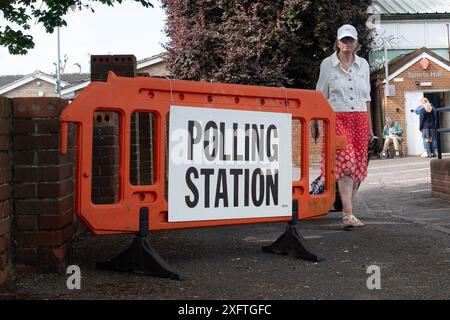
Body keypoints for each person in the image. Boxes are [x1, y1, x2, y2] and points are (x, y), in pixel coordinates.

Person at [314, 24, 374, 230]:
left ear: (356, 43)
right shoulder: (327, 64)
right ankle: (347, 214)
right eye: (343, 40)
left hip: (359, 118)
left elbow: (367, 97)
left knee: (357, 168)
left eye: (350, 40)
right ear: (337, 42)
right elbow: (320, 94)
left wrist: (370, 127)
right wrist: (316, 122)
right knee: (346, 165)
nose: (347, 43)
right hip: (337, 118)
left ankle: (347, 207)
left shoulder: (364, 65)